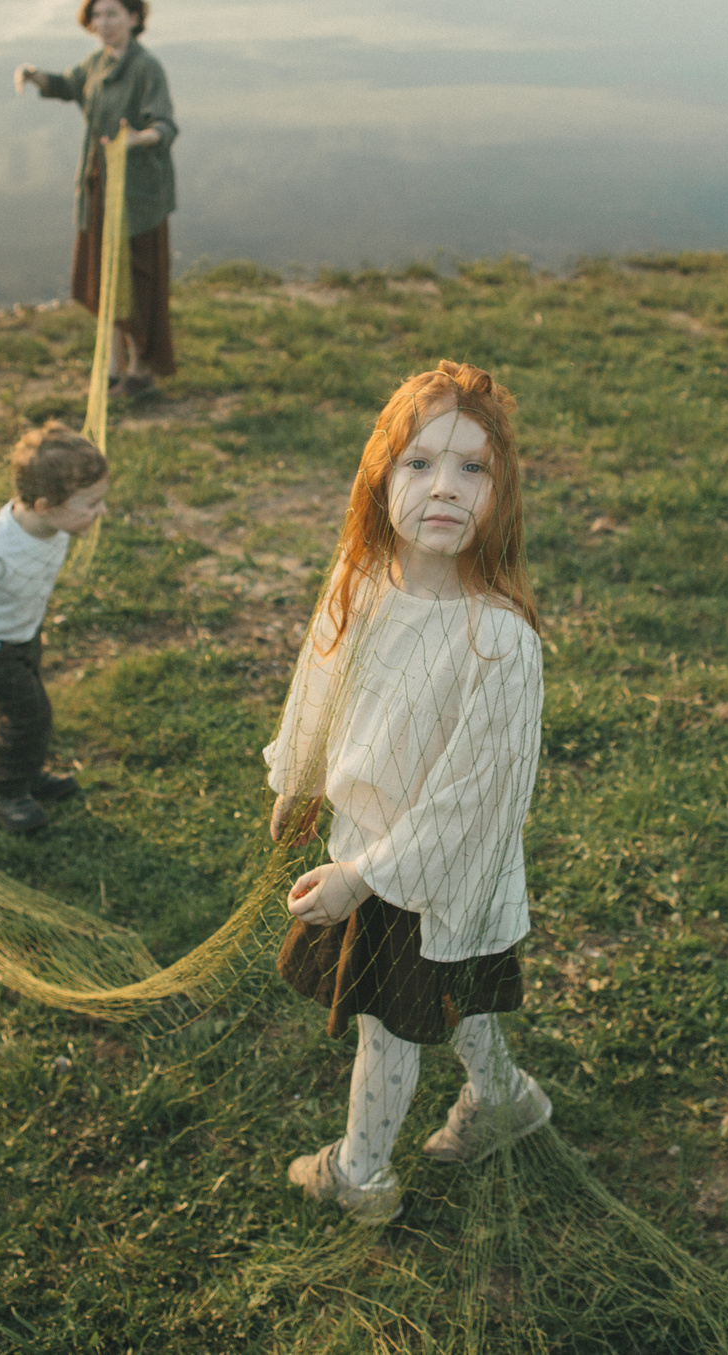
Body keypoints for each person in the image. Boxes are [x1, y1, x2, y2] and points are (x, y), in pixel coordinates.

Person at [265, 361, 551, 1224]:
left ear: (501, 492)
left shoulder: (500, 644)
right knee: (450, 999)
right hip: (362, 842)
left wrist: (366, 876)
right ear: (380, 476)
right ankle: (506, 1097)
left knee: (387, 1027)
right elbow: (317, 690)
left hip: (433, 874)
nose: (445, 489)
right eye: (420, 463)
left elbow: (469, 803)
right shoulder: (359, 583)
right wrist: (298, 777)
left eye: (474, 469)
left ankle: (361, 1172)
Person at [0, 423, 110, 834]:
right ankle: (7, 792)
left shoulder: (51, 525)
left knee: (30, 711)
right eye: (90, 504)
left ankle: (27, 774)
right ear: (45, 505)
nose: (100, 512)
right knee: (29, 716)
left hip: (23, 635)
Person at [14, 0, 179, 400]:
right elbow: (70, 86)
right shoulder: (98, 62)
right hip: (99, 189)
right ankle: (113, 368)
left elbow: (165, 124)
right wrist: (36, 77)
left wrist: (141, 138)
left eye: (112, 15)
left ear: (134, 19)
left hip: (138, 198)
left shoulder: (146, 68)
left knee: (138, 283)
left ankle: (141, 373)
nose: (103, 24)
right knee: (103, 278)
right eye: (97, 16)